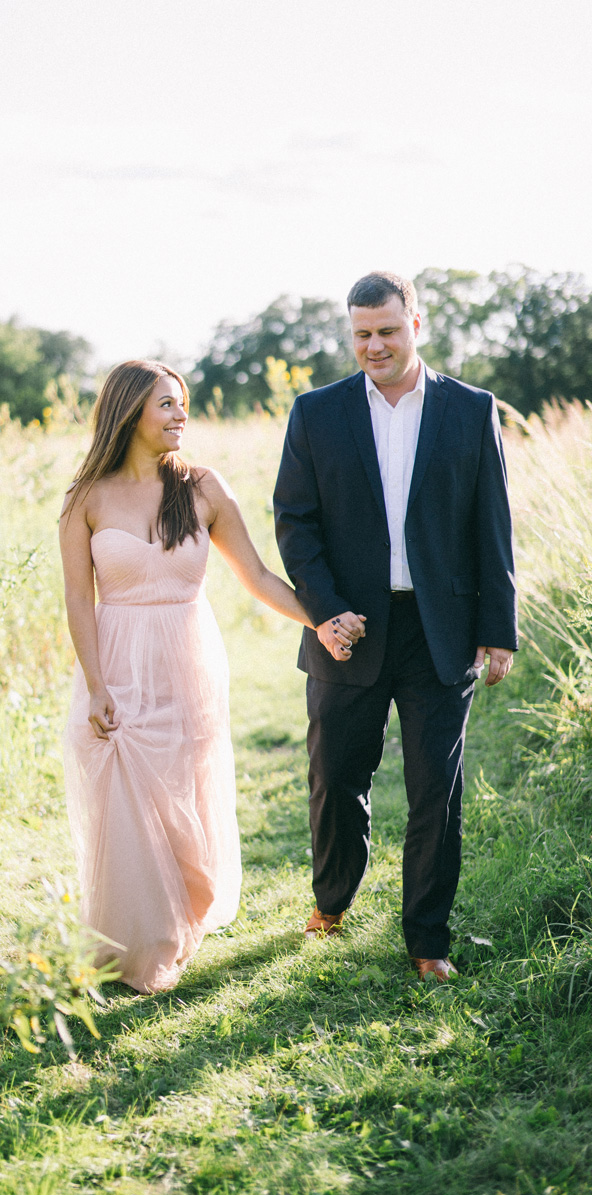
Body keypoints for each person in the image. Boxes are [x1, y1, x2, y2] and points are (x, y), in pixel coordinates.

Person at [273, 271, 517, 982]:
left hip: (440, 629)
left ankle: (427, 940)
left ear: (417, 323)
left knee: (435, 789)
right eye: (361, 335)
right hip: (346, 628)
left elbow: (491, 526)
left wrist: (498, 628)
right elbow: (295, 520)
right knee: (336, 775)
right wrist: (322, 611)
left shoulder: (471, 410)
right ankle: (331, 902)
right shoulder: (316, 413)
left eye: (386, 330)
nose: (373, 345)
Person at [60, 359, 311, 994]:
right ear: (128, 414)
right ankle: (144, 947)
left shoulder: (202, 489)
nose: (180, 415)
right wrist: (96, 685)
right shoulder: (85, 499)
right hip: (115, 663)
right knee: (127, 804)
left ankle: (185, 914)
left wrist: (322, 620)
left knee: (186, 800)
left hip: (189, 661)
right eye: (166, 405)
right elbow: (77, 602)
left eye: (182, 403)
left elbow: (256, 577)